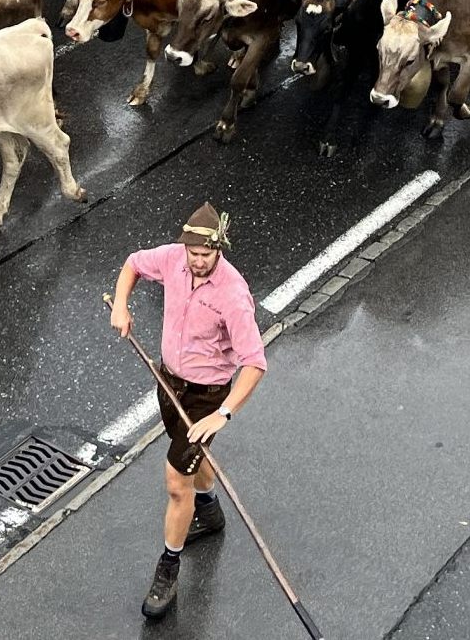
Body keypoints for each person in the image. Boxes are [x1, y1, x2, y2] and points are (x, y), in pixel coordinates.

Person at [109, 202, 267, 622]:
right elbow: (132, 265)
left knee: (177, 481)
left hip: (205, 397)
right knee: (194, 458)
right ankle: (210, 510)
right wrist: (120, 305)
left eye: (206, 255)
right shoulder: (173, 259)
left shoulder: (232, 293)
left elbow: (254, 362)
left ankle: (168, 567)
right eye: (193, 254)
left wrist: (223, 415)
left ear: (219, 250)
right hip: (168, 384)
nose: (197, 262)